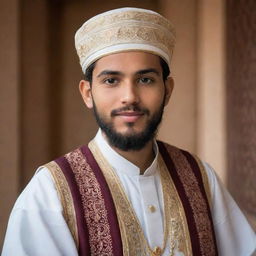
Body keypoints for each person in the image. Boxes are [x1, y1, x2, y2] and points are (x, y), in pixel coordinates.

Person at [2, 7, 256, 256]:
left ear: (167, 90)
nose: (129, 97)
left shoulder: (200, 177)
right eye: (111, 80)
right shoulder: (50, 193)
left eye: (145, 79)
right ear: (88, 93)